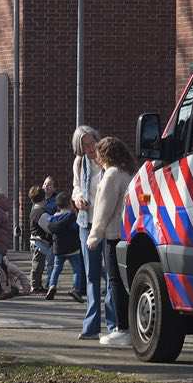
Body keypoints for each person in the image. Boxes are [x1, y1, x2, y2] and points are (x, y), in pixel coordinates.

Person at [86, 137, 137, 344]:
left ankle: (122, 328)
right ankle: (129, 327)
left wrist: (94, 235)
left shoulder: (111, 175)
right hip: (129, 233)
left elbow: (103, 209)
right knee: (126, 282)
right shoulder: (128, 172)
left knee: (115, 281)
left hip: (113, 234)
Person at [71, 124, 113, 340]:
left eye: (91, 143)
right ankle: (91, 326)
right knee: (91, 274)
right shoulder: (80, 163)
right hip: (86, 223)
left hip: (106, 222)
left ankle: (114, 325)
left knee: (111, 275)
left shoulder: (106, 160)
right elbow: (76, 187)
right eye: (84, 145)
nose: (89, 148)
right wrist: (78, 199)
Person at [41, 192, 84, 299]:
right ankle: (75, 288)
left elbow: (50, 230)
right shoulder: (71, 217)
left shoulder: (53, 218)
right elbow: (76, 229)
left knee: (56, 269)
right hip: (72, 248)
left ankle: (52, 286)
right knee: (77, 269)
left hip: (58, 249)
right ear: (70, 203)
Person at [26, 186, 51, 292]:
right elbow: (48, 227)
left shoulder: (34, 210)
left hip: (36, 241)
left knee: (38, 265)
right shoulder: (41, 213)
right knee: (37, 265)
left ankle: (37, 284)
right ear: (44, 198)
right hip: (39, 242)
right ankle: (35, 285)